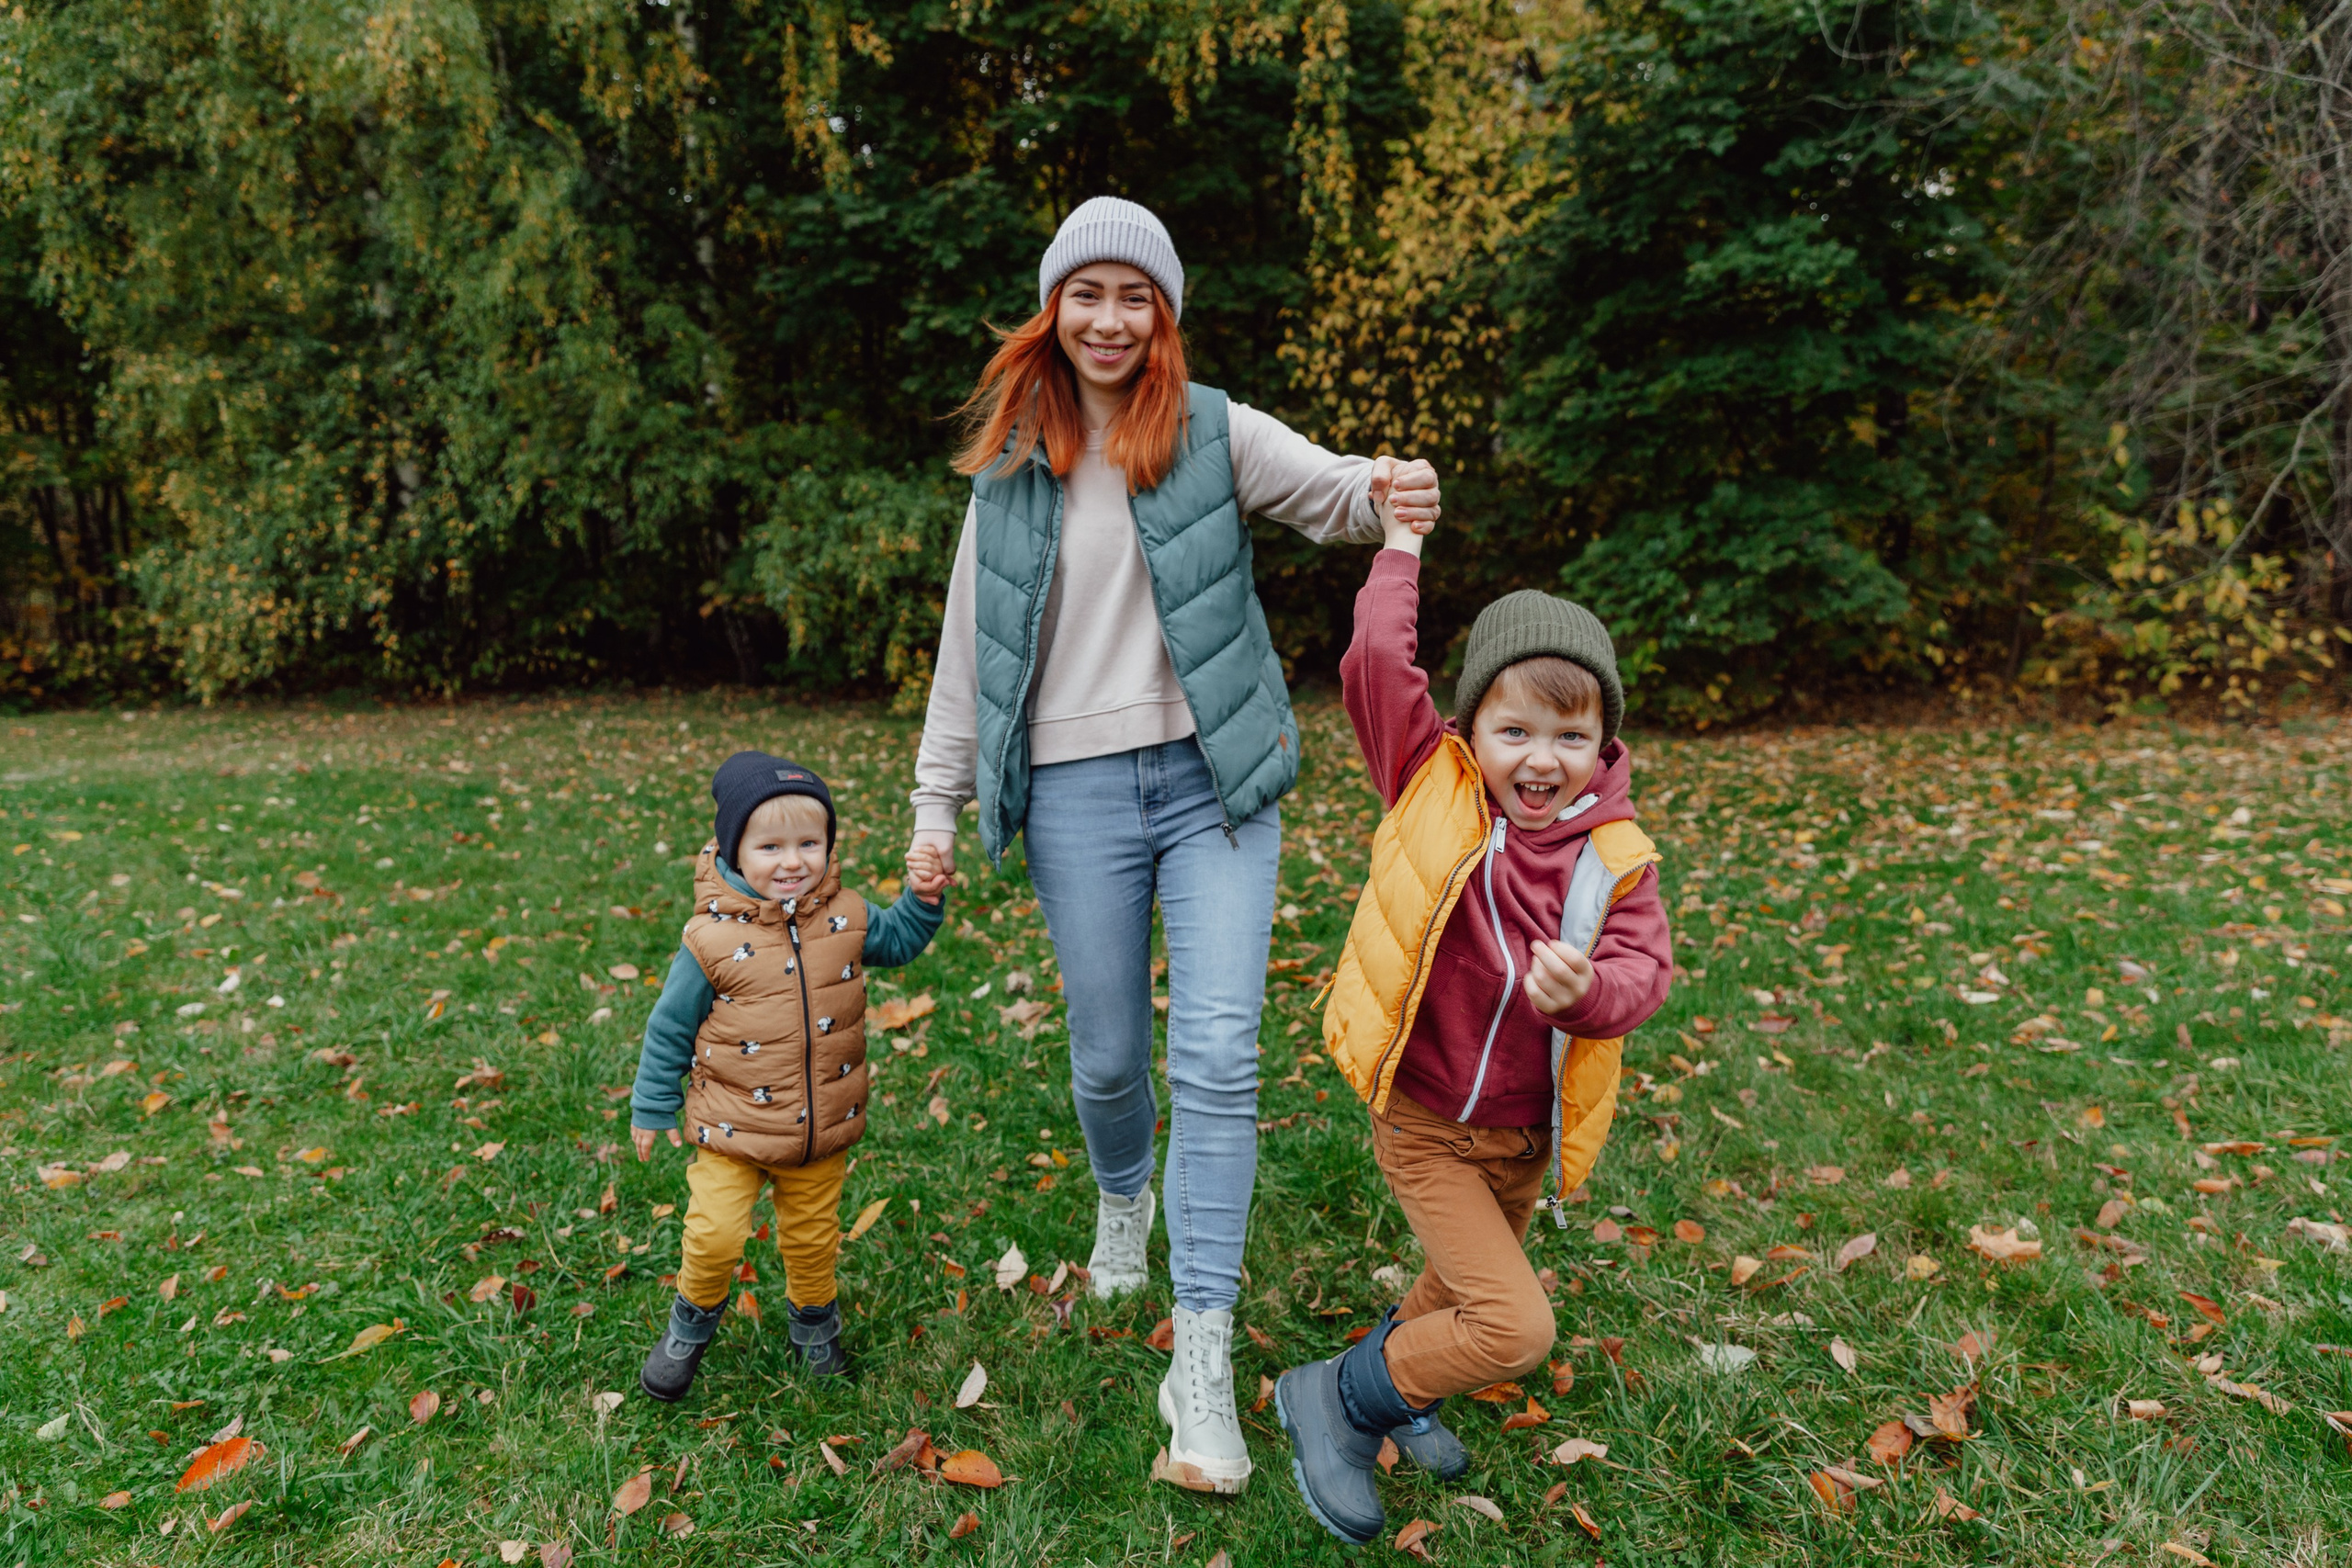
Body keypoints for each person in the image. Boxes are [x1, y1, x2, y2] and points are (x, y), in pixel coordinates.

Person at [906, 196, 1441, 1495]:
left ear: (1164, 314)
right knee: (1107, 1054)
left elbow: (1331, 495)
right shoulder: (1014, 470)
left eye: (1133, 296)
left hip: (1215, 782)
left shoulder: (1209, 430)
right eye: (1085, 295)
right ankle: (1119, 1198)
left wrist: (1389, 489)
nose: (1109, 319)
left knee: (1215, 1050)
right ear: (1055, 312)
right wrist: (934, 806)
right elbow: (966, 660)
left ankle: (1198, 1346)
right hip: (1077, 794)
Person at [1273, 496, 1674, 1543]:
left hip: (1520, 1137)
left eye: (1570, 736)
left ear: (1604, 742)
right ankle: (1341, 1398)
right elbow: (1371, 660)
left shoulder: (1613, 856)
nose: (1540, 759)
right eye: (1514, 731)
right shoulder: (1428, 785)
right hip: (1426, 1118)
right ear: (1468, 730)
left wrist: (1586, 993)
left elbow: (1645, 972)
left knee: (1453, 1285)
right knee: (1511, 1326)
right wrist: (1400, 547)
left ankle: (1397, 1394)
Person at [630, 750, 950, 1400]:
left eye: (809, 842)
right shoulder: (711, 939)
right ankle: (690, 1323)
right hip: (731, 1128)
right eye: (770, 844)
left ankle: (813, 1325)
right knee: (715, 1233)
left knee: (811, 1239)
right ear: (733, 849)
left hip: (817, 1127)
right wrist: (651, 1104)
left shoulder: (847, 916)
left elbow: (900, 940)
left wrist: (923, 897)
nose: (792, 860)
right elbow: (669, 1027)